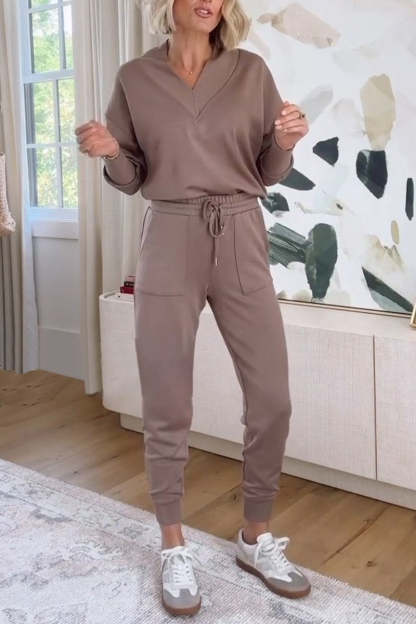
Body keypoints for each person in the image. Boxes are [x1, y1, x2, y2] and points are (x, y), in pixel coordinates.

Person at [75, 0, 310, 617]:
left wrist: (285, 143)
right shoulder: (135, 77)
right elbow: (131, 177)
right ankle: (173, 543)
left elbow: (268, 169)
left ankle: (255, 536)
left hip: (240, 234)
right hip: (170, 237)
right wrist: (110, 151)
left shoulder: (251, 72)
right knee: (167, 399)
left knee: (272, 397)